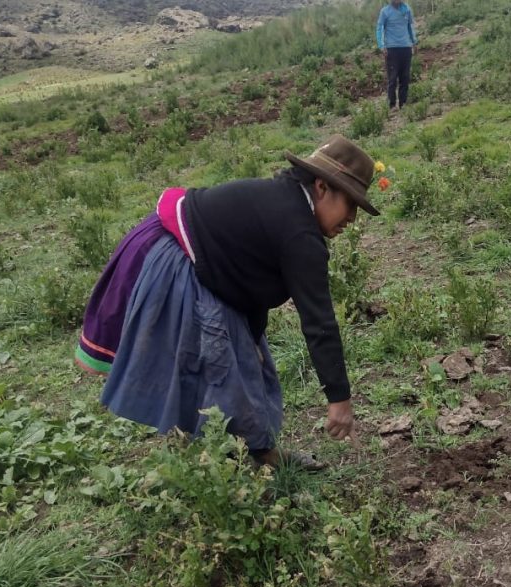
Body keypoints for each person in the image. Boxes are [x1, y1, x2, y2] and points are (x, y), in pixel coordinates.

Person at [75, 135, 381, 470]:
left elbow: (247, 275)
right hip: (180, 264)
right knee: (222, 367)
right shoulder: (299, 233)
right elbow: (318, 322)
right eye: (350, 203)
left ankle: (245, 450)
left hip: (191, 257)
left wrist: (252, 336)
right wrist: (339, 400)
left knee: (246, 357)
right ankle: (247, 457)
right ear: (322, 187)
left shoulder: (286, 203)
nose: (352, 218)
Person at [376, 0, 418, 111]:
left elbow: (410, 26)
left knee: (405, 77)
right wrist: (382, 45)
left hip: (405, 47)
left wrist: (414, 42)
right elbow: (379, 28)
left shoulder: (406, 9)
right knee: (392, 78)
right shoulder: (385, 11)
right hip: (391, 49)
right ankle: (392, 105)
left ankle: (403, 103)